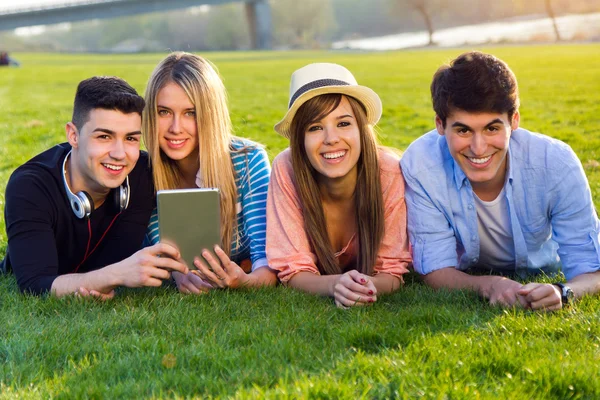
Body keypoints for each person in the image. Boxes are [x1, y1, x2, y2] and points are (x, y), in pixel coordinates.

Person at [401, 51, 600, 311]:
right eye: (463, 130)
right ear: (440, 125)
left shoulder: (556, 162)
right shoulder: (420, 164)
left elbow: (591, 268)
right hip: (469, 269)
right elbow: (434, 268)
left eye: (492, 128)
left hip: (544, 264)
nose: (478, 147)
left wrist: (563, 291)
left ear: (514, 120)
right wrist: (490, 284)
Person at [2, 76, 189, 298]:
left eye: (130, 138)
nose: (119, 154)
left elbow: (114, 260)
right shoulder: (29, 186)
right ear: (73, 135)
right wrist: (110, 277)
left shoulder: (142, 174)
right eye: (104, 136)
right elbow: (35, 285)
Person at [267, 63, 412, 308]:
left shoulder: (387, 170)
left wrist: (362, 287)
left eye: (343, 123)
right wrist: (336, 285)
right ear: (300, 139)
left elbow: (391, 270)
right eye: (315, 127)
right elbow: (293, 270)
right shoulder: (286, 168)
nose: (331, 139)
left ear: (361, 129)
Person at [143, 52, 276, 293]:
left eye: (190, 113)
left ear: (210, 114)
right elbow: (163, 253)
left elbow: (266, 263)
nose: (175, 128)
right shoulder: (144, 173)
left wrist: (243, 281)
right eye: (164, 112)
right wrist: (178, 275)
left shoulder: (248, 161)